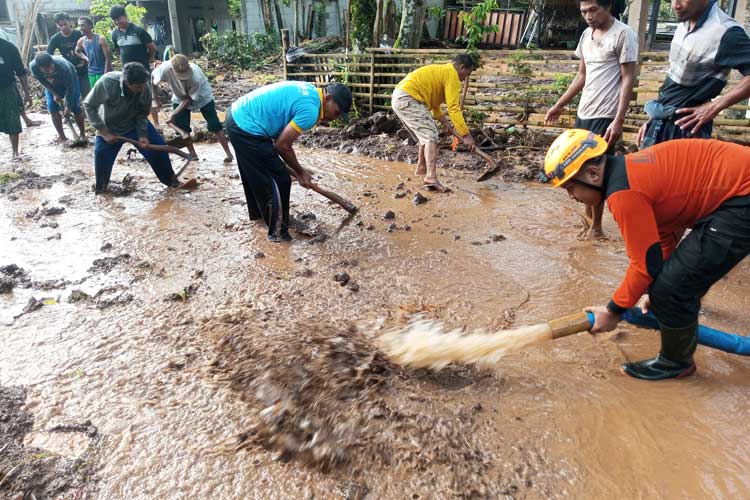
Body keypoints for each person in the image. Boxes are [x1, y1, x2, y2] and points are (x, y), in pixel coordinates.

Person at [543, 129, 750, 380]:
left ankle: (676, 363)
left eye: (571, 188)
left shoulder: (624, 194)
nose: (572, 197)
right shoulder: (629, 172)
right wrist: (654, 289)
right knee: (669, 284)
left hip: (741, 199)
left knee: (675, 288)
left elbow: (643, 264)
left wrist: (612, 311)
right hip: (736, 193)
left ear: (593, 174)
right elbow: (664, 236)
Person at [544, 0, 637, 240]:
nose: (588, 15)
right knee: (580, 173)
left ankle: (596, 227)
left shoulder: (623, 34)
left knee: (597, 173)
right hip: (584, 113)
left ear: (608, 7)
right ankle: (588, 223)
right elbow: (582, 75)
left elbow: (628, 79)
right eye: (584, 11)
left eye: (593, 10)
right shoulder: (586, 35)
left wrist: (618, 120)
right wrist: (559, 104)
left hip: (605, 115)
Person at [226, 81, 352, 241]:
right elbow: (282, 145)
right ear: (327, 99)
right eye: (337, 112)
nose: (336, 118)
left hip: (237, 116)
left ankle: (259, 218)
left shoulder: (310, 92)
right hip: (248, 126)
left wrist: (293, 169)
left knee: (255, 173)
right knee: (281, 180)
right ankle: (278, 233)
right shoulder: (311, 110)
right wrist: (300, 172)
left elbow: (279, 135)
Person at [635, 0, 750, 148]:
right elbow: (673, 80)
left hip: (687, 128)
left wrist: (714, 106)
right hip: (663, 121)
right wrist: (654, 119)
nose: (675, 5)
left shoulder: (726, 32)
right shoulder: (684, 20)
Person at [83, 62, 195, 194]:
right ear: (126, 82)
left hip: (134, 124)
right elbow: (89, 105)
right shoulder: (107, 83)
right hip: (109, 128)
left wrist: (142, 135)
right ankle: (102, 192)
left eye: (143, 84)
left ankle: (172, 183)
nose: (142, 88)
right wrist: (103, 131)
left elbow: (142, 113)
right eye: (137, 86)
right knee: (102, 158)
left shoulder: (144, 86)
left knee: (159, 150)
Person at [391, 53, 476, 192]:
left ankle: (421, 169)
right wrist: (466, 135)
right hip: (409, 98)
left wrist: (447, 124)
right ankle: (431, 177)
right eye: (467, 74)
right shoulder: (452, 75)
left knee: (424, 136)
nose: (465, 78)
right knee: (431, 135)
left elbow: (435, 108)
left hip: (400, 97)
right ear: (462, 67)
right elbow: (454, 108)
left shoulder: (442, 73)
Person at [151, 54, 233, 162]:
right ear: (172, 69)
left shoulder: (196, 77)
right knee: (183, 128)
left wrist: (173, 114)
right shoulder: (165, 68)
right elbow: (153, 78)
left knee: (214, 125)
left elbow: (189, 99)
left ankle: (229, 154)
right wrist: (155, 98)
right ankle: (193, 155)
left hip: (203, 97)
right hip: (179, 97)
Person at [109, 5, 158, 124]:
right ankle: (137, 122)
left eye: (119, 18)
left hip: (142, 69)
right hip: (127, 72)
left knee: (148, 95)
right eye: (114, 20)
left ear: (125, 16)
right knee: (129, 97)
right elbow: (117, 50)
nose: (117, 22)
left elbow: (151, 46)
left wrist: (150, 58)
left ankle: (156, 123)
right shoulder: (115, 33)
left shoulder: (138, 30)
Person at [30, 52, 86, 144]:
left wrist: (67, 106)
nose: (49, 70)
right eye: (46, 69)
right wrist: (54, 93)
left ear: (52, 62)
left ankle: (83, 135)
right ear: (39, 67)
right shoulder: (34, 67)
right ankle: (62, 137)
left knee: (75, 106)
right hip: (51, 84)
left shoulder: (63, 66)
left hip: (70, 81)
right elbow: (42, 81)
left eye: (50, 67)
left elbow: (70, 88)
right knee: (52, 108)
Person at [0, 37, 33, 160]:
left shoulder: (8, 48)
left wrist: (27, 93)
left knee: (12, 120)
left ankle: (15, 153)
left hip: (6, 88)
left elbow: (20, 71)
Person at [47, 12, 90, 98]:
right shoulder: (55, 38)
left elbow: (89, 49)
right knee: (73, 96)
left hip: (83, 69)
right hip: (68, 71)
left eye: (65, 24)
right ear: (57, 26)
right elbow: (48, 55)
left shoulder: (79, 34)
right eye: (61, 25)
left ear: (70, 22)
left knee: (87, 94)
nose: (63, 27)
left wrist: (85, 61)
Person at [74, 16, 111, 89]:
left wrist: (105, 74)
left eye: (83, 25)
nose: (81, 28)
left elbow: (108, 58)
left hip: (102, 71)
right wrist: (86, 58)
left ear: (90, 26)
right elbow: (77, 51)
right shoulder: (81, 41)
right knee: (96, 95)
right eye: (79, 26)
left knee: (107, 95)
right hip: (91, 73)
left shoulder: (101, 39)